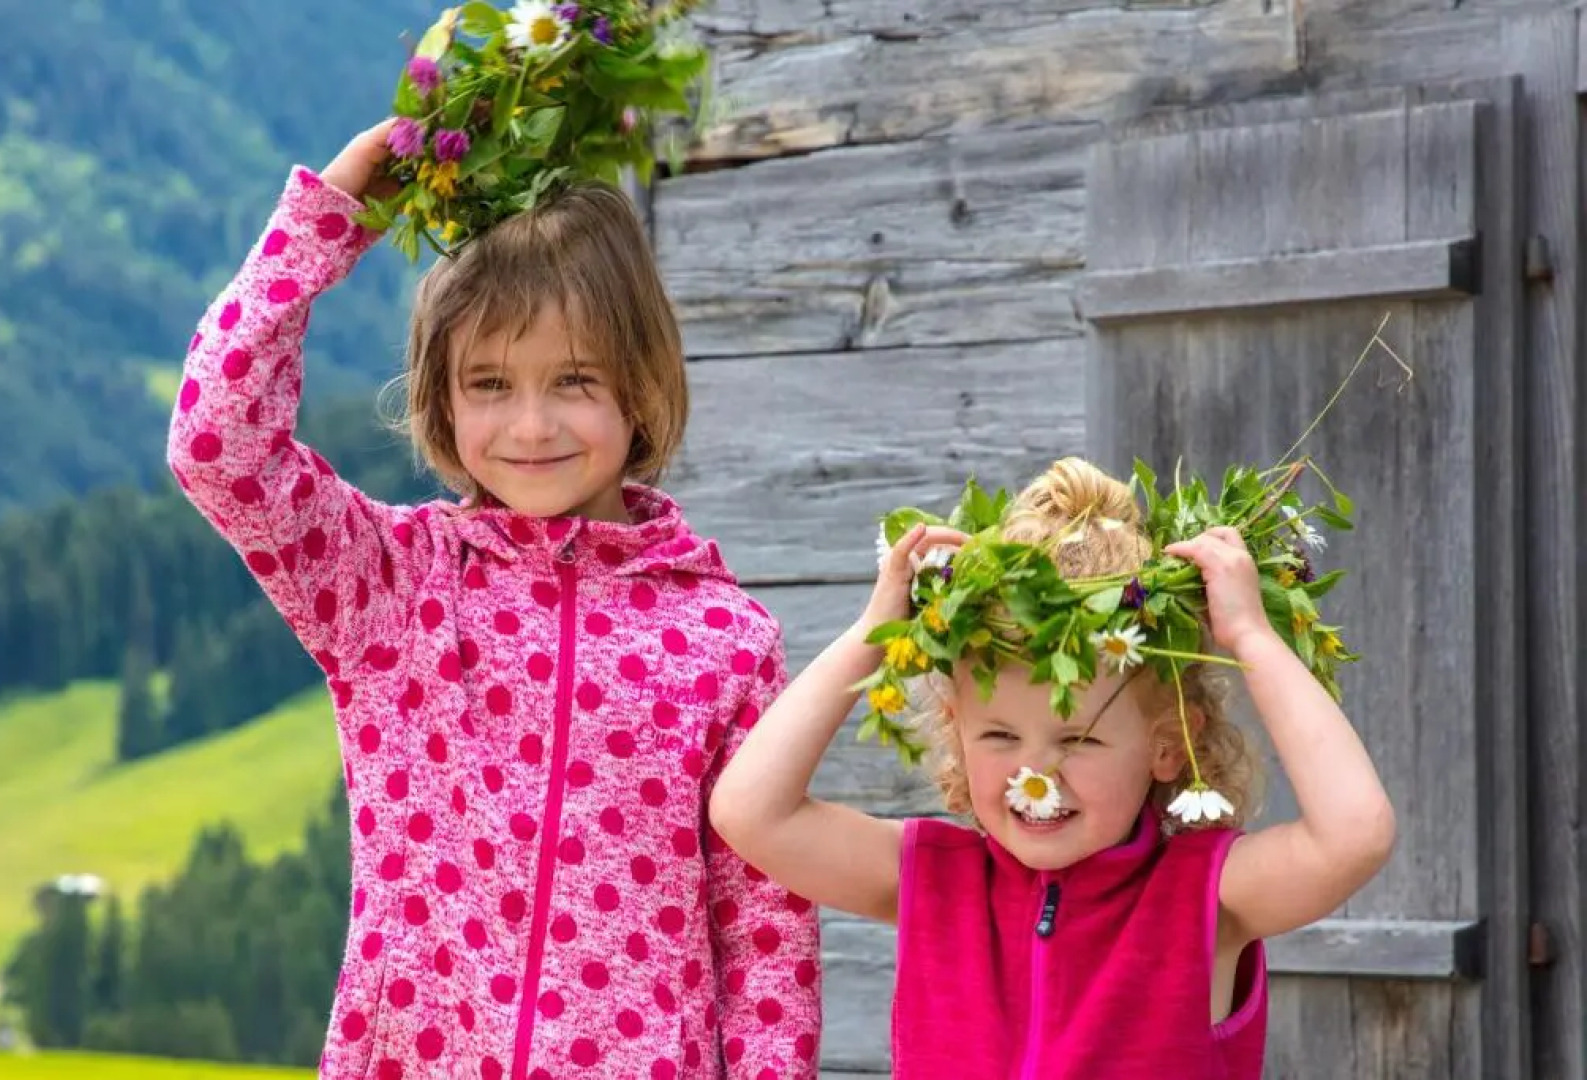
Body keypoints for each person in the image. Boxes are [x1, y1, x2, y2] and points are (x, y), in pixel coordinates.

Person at [169, 119, 821, 1080]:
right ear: (441, 398)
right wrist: (327, 221)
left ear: (638, 388)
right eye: (488, 383)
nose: (530, 425)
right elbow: (217, 449)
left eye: (572, 380)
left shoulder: (724, 640)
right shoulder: (388, 588)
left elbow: (765, 933)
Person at [710, 456, 1395, 1078]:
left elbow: (1353, 833)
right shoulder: (930, 879)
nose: (1033, 774)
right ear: (955, 731)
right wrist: (874, 631)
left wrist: (1250, 636)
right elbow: (749, 812)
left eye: (1080, 741)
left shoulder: (1207, 899)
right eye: (1000, 735)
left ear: (1168, 744)